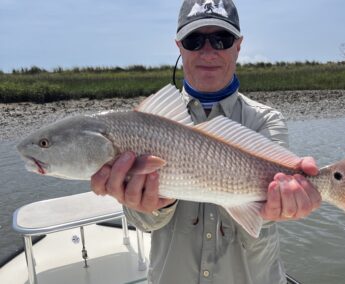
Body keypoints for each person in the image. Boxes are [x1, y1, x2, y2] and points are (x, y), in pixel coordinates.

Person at [91, 0, 321, 283]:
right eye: (195, 40)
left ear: (238, 45)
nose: (208, 51)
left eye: (221, 39)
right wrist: (151, 205)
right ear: (179, 46)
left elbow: (268, 213)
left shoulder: (265, 120)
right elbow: (144, 223)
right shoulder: (144, 124)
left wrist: (286, 204)